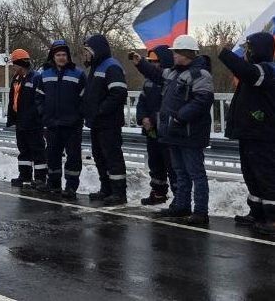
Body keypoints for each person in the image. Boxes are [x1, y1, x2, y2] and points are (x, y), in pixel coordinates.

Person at [133, 34, 214, 226]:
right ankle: (182, 206)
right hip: (174, 133)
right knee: (180, 172)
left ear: (186, 54)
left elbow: (202, 101)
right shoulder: (174, 72)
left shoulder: (200, 75)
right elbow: (156, 74)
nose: (174, 56)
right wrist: (140, 63)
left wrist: (179, 116)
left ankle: (201, 211)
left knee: (196, 173)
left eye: (176, 52)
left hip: (190, 133)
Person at [218, 32, 275, 235]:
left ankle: (272, 218)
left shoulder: (266, 71)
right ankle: (257, 213)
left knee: (266, 176)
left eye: (248, 48)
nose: (245, 53)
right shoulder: (257, 71)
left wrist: (225, 52)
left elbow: (245, 71)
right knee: (251, 175)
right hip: (250, 132)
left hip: (264, 133)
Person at [35, 40, 86, 200]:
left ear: (68, 56)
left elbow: (84, 99)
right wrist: (43, 114)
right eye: (58, 55)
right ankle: (54, 184)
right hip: (52, 124)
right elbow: (38, 97)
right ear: (53, 56)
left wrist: (78, 116)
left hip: (72, 125)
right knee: (52, 156)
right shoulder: (44, 74)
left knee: (73, 157)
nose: (61, 57)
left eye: (64, 55)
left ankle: (71, 187)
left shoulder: (78, 74)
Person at [83, 34, 128, 205]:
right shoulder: (97, 67)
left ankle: (118, 192)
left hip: (109, 123)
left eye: (88, 51)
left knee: (112, 156)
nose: (86, 55)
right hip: (98, 123)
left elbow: (118, 93)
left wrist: (100, 111)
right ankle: (106, 189)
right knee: (99, 156)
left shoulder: (111, 66)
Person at [133, 45, 177, 205]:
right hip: (151, 131)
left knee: (172, 165)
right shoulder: (148, 82)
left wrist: (154, 119)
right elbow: (141, 102)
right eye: (150, 61)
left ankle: (179, 197)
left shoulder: (171, 80)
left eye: (156, 61)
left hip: (167, 131)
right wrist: (143, 118)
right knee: (155, 163)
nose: (153, 65)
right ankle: (158, 193)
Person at [7, 49, 47, 188]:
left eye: (14, 64)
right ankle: (24, 176)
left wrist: (37, 116)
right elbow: (13, 99)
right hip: (21, 121)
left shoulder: (35, 78)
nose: (13, 67)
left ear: (21, 64)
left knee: (37, 151)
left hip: (34, 122)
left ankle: (41, 178)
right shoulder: (16, 79)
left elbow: (40, 100)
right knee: (23, 150)